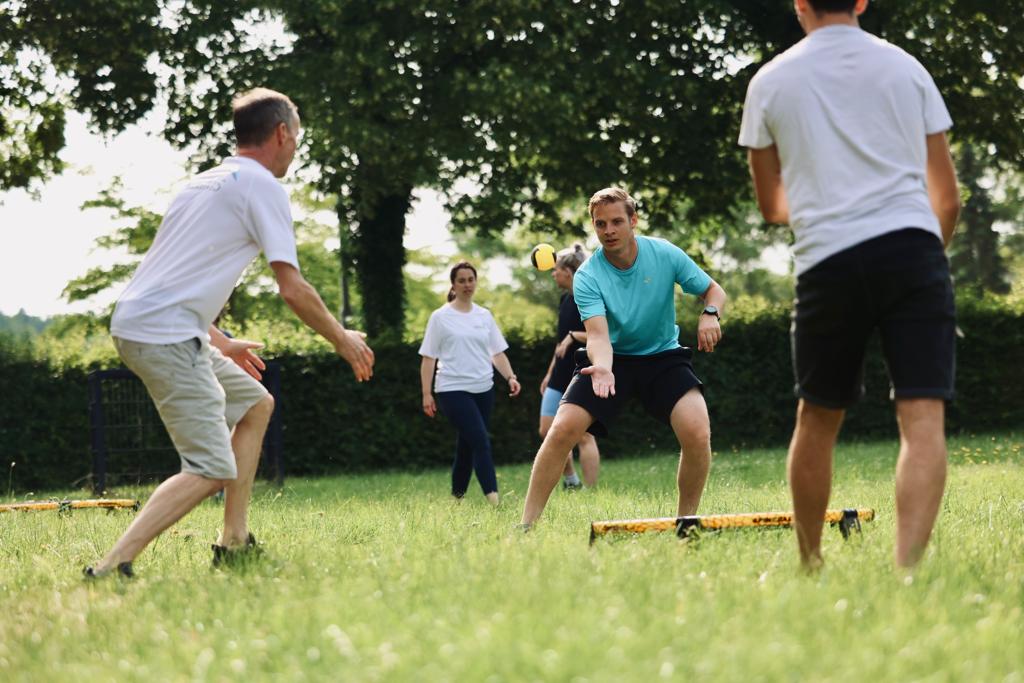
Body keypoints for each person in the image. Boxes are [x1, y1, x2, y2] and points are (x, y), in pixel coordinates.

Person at [85, 88, 375, 578]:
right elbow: (292, 286)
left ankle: (234, 542)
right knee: (210, 466)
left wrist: (221, 341)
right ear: (281, 134)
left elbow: (177, 277)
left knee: (255, 404)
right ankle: (112, 565)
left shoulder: (204, 183)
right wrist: (341, 339)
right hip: (166, 334)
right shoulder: (262, 186)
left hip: (156, 323)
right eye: (297, 137)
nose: (296, 147)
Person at [739, 0, 961, 569]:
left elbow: (771, 206)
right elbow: (947, 197)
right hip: (913, 251)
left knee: (817, 415)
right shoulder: (907, 68)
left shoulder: (770, 80)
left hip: (827, 260)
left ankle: (810, 562)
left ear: (799, 5)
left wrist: (828, 199)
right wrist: (923, 259)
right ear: (861, 1)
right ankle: (907, 570)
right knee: (921, 416)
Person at [520, 188, 727, 526]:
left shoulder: (663, 254)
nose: (609, 230)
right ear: (594, 227)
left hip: (663, 357)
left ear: (633, 221)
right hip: (611, 357)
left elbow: (713, 289)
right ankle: (526, 526)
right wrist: (601, 368)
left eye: (617, 221)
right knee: (561, 430)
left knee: (698, 432)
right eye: (600, 224)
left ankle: (686, 522)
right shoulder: (588, 275)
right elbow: (598, 335)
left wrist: (710, 313)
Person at [419, 262, 522, 505]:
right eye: (462, 280)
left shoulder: (484, 316)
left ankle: (457, 499)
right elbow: (428, 358)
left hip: (483, 389)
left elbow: (497, 352)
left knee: (467, 445)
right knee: (480, 441)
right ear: (453, 285)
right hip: (451, 389)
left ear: (476, 282)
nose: (467, 284)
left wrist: (510, 377)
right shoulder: (440, 317)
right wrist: (426, 393)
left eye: (470, 279)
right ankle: (494, 500)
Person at [538, 244, 600, 490]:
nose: (553, 274)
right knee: (546, 430)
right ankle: (572, 481)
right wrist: (549, 372)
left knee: (585, 435)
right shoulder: (564, 300)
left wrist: (575, 335)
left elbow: (603, 335)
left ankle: (592, 491)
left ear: (569, 271)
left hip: (582, 370)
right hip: (559, 373)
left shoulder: (589, 298)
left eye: (556, 270)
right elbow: (560, 341)